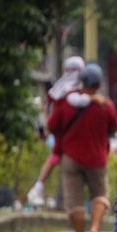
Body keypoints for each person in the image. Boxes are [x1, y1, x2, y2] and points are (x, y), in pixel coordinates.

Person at [47, 63, 117, 232]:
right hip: (97, 157)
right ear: (99, 84)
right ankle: (95, 229)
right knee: (100, 195)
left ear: (81, 82)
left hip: (71, 158)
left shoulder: (66, 103)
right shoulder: (106, 105)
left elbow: (53, 125)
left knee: (74, 201)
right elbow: (114, 127)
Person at [27, 56, 86, 205]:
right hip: (74, 135)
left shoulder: (57, 90)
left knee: (55, 158)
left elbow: (46, 109)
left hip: (61, 134)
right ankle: (40, 189)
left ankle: (38, 187)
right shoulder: (81, 89)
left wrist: (48, 124)